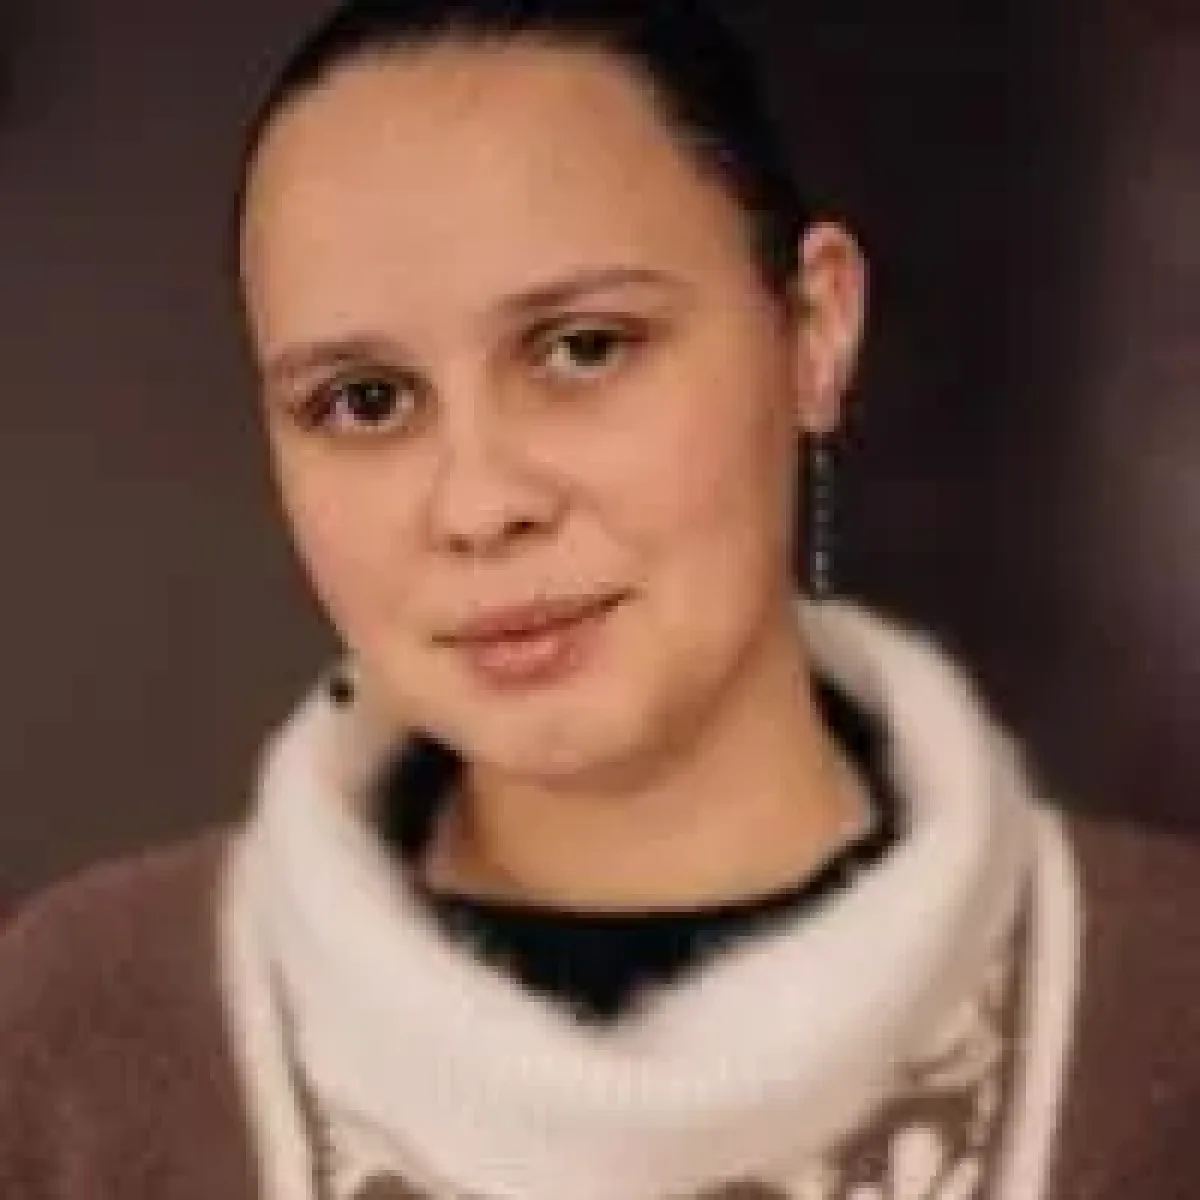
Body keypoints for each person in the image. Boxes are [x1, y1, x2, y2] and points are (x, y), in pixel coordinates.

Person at [2, 1, 1198, 1197]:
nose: (480, 506)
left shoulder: (1163, 1005)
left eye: (582, 348)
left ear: (815, 329)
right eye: (365, 401)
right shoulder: (86, 1032)